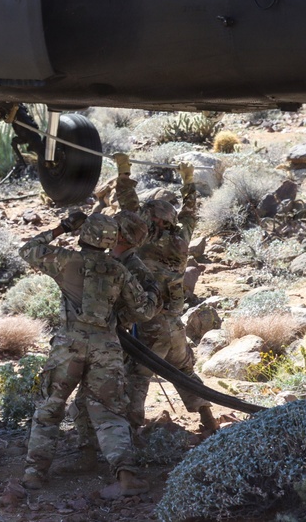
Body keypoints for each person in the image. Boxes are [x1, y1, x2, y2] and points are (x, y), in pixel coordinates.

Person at [19, 211, 155, 495]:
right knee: (110, 412)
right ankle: (126, 476)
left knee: (50, 406)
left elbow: (27, 249)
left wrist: (62, 227)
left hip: (68, 347)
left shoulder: (67, 260)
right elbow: (144, 310)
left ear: (85, 234)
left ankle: (35, 474)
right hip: (107, 349)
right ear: (111, 239)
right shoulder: (119, 270)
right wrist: (152, 290)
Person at [111, 153, 219, 433]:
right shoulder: (182, 239)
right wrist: (188, 181)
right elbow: (190, 213)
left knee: (138, 375)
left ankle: (131, 432)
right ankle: (208, 419)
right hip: (174, 322)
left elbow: (128, 206)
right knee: (184, 372)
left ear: (150, 220)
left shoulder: (142, 241)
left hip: (149, 323)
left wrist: (124, 173)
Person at [70, 209, 158, 471]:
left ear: (121, 234)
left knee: (106, 401)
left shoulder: (132, 267)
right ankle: (90, 451)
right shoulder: (113, 261)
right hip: (103, 340)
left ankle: (119, 459)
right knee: (86, 399)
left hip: (115, 342)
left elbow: (143, 309)